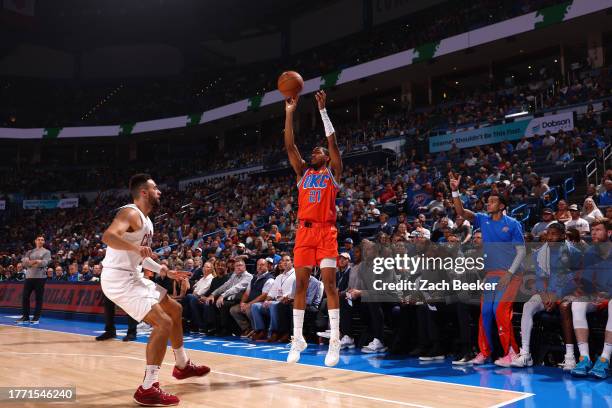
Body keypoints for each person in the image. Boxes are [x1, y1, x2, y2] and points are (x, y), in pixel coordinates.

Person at [101, 173, 209, 406]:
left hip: (134, 276)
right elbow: (109, 236)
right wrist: (135, 248)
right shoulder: (129, 212)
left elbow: (140, 255)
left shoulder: (147, 221)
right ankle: (148, 388)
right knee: (164, 323)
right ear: (143, 192)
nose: (159, 191)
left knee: (175, 309)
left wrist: (164, 271)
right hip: (118, 280)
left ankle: (182, 365)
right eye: (155, 188)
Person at [283, 90, 343, 366]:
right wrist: (290, 112)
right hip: (304, 232)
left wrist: (322, 111)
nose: (314, 152)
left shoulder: (333, 172)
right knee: (301, 286)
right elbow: (289, 145)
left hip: (326, 231)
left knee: (330, 284)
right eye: (313, 151)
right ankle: (297, 339)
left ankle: (335, 341)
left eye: (318, 151)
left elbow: (332, 142)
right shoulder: (303, 173)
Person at [449, 172, 526, 366]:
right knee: (486, 312)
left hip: (512, 274)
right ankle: (485, 352)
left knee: (500, 310)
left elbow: (521, 252)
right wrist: (455, 191)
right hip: (492, 275)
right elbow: (461, 212)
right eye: (487, 201)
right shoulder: (483, 219)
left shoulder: (513, 224)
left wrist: (509, 274)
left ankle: (513, 353)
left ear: (501, 206)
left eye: (492, 201)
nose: (487, 204)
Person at [510, 222, 582, 371]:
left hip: (565, 294)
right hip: (546, 294)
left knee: (565, 305)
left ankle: (570, 357)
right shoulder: (539, 253)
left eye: (554, 234)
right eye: (548, 233)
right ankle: (525, 354)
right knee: (527, 305)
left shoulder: (574, 253)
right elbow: (538, 278)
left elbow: (574, 279)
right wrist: (543, 295)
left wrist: (556, 296)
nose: (550, 237)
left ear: (563, 236)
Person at [570, 218, 612, 379]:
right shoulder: (589, 253)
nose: (593, 233)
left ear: (609, 233)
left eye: (598, 230)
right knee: (577, 303)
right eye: (592, 230)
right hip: (596, 297)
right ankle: (584, 357)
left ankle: (604, 358)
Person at [16, 235, 51, 324]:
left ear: (44, 242)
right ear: (35, 241)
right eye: (38, 239)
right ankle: (25, 317)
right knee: (25, 297)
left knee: (38, 298)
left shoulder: (47, 252)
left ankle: (36, 318)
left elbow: (44, 263)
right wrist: (36, 262)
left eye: (42, 240)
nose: (40, 241)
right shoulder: (29, 251)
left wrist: (31, 263)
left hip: (40, 278)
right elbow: (24, 263)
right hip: (29, 277)